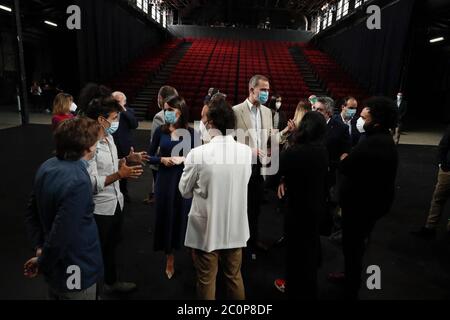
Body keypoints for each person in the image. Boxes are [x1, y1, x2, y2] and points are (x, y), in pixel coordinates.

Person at [179, 97, 252, 300]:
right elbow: (243, 183)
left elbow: (184, 190)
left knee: (206, 279)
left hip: (207, 229)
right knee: (234, 277)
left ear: (210, 123)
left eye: (203, 119)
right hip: (235, 227)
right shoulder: (245, 153)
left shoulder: (197, 154)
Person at [24, 117, 103, 300]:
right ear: (89, 146)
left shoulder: (47, 166)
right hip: (75, 267)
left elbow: (31, 213)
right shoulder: (79, 181)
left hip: (56, 268)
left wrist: (40, 248)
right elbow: (62, 234)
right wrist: (42, 262)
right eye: (96, 141)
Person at [329, 97, 399, 300]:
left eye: (364, 118)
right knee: (356, 246)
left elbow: (347, 165)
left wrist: (345, 159)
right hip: (371, 204)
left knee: (353, 247)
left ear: (376, 122)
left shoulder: (374, 143)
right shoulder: (382, 138)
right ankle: (350, 276)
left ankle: (350, 286)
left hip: (362, 207)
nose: (360, 120)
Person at [85, 97, 148, 295]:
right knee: (96, 252)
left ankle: (110, 282)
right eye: (114, 117)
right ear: (101, 120)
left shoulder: (109, 138)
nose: (117, 121)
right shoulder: (89, 145)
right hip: (100, 209)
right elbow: (91, 183)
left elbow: (111, 165)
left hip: (115, 203)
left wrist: (127, 159)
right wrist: (120, 175)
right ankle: (93, 291)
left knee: (111, 248)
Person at [233, 75, 295, 259]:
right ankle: (238, 243)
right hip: (241, 167)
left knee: (255, 207)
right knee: (239, 207)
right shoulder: (236, 111)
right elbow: (229, 141)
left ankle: (252, 240)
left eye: (268, 90)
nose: (267, 94)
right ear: (252, 90)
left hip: (260, 169)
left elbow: (270, 140)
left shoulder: (268, 113)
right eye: (263, 90)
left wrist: (285, 132)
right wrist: (248, 150)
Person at [275, 111, 329, 300]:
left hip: (297, 210)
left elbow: (273, 173)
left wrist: (282, 179)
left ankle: (293, 290)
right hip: (315, 208)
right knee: (309, 251)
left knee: (295, 255)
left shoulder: (294, 152)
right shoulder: (322, 151)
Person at [148, 96, 196, 279]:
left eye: (169, 110)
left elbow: (199, 159)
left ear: (180, 111)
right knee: (167, 216)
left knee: (186, 216)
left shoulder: (192, 133)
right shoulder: (161, 131)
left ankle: (192, 249)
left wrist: (184, 159)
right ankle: (169, 257)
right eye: (164, 109)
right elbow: (149, 156)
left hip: (185, 179)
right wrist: (162, 159)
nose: (165, 113)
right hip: (165, 180)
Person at [313, 97, 351, 236]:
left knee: (326, 206)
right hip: (311, 172)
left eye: (319, 109)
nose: (315, 111)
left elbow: (346, 151)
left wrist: (340, 160)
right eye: (314, 108)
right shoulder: (309, 123)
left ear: (328, 112)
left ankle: (324, 231)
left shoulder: (341, 128)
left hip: (330, 174)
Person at [412, 125, 450, 239]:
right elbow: (443, 145)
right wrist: (442, 164)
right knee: (438, 198)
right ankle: (430, 227)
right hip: (448, 169)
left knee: (438, 199)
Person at [144, 85, 179, 205]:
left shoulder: (159, 116)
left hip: (162, 158)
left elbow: (155, 140)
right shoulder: (179, 114)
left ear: (160, 98)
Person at [112, 91, 139, 203]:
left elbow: (134, 124)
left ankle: (123, 192)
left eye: (119, 101)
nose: (117, 103)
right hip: (111, 143)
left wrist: (123, 109)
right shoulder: (108, 112)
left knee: (123, 169)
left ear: (124, 102)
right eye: (115, 101)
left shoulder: (129, 111)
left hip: (123, 145)